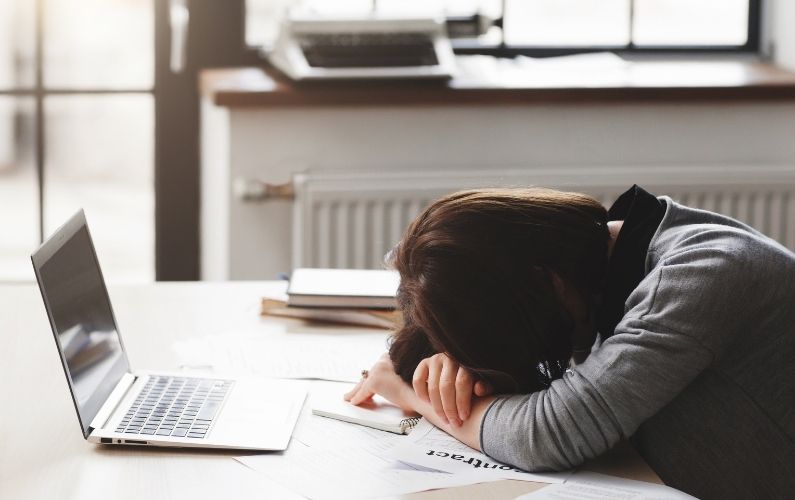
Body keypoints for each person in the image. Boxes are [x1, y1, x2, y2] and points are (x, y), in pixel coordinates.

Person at [344, 185, 795, 500]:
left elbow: (549, 433)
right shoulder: (596, 272)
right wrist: (442, 365)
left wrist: (412, 396)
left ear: (548, 285)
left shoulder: (702, 274)